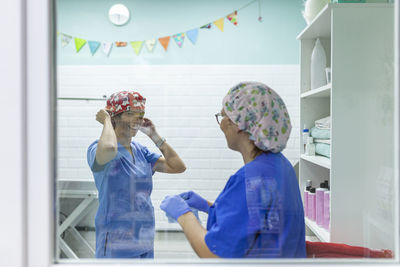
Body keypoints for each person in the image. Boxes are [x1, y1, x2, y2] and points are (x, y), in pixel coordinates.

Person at [160, 82, 306, 258]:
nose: (221, 125)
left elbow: (213, 255)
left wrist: (183, 214)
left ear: (238, 123)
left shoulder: (249, 179)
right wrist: (209, 207)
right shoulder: (280, 165)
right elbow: (258, 218)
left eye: (222, 116)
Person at [87, 91, 186, 258]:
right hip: (115, 242)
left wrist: (154, 135)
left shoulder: (141, 151)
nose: (138, 120)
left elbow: (178, 166)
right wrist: (106, 121)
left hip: (144, 237)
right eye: (131, 114)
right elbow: (110, 148)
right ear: (116, 117)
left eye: (141, 115)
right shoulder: (97, 149)